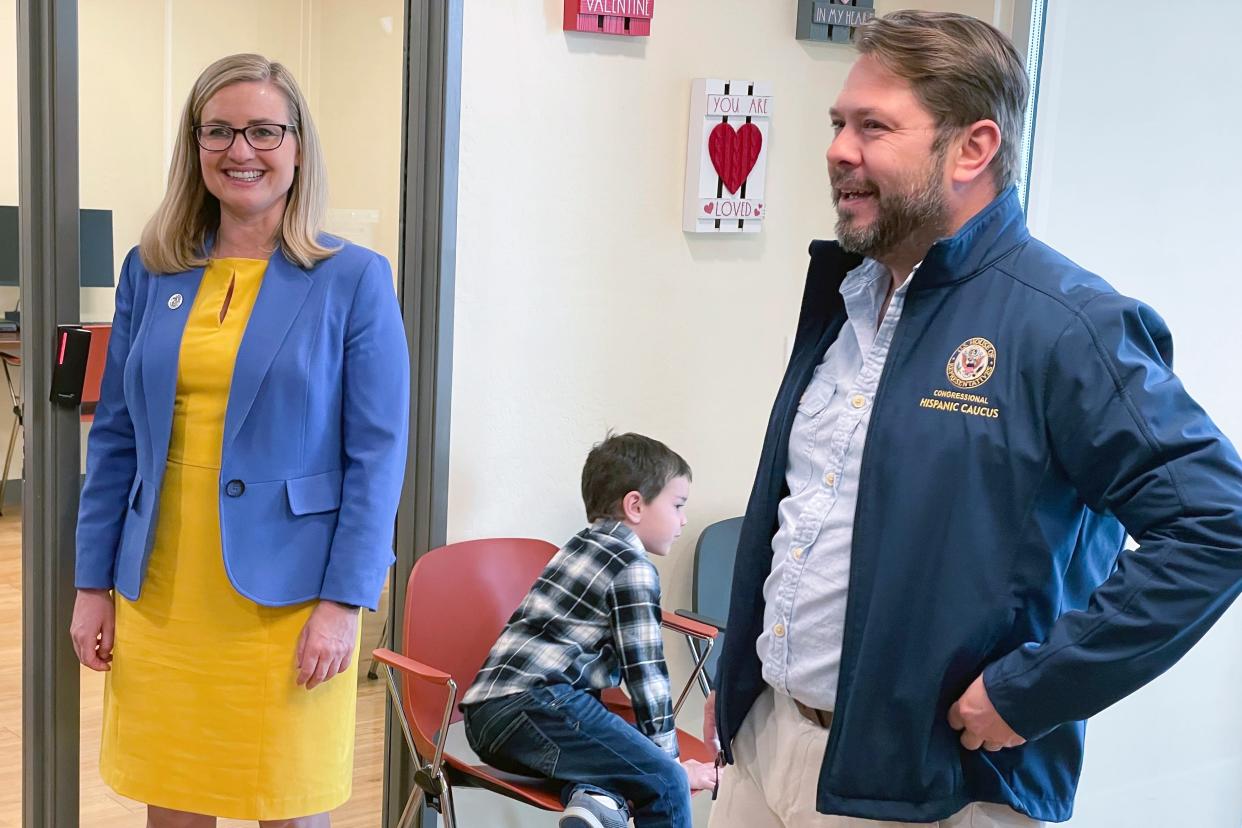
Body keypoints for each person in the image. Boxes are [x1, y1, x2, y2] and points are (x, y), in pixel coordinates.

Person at [704, 10, 1242, 828]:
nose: (838, 149)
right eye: (838, 123)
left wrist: (1035, 690)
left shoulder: (1067, 324)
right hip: (770, 743)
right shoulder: (848, 299)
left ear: (973, 148)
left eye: (874, 126)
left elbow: (1217, 524)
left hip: (932, 789)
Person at [67, 53, 409, 827]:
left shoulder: (351, 278)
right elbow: (116, 436)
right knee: (176, 798)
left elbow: (377, 455)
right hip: (161, 589)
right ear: (195, 147)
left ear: (297, 146)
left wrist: (344, 602)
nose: (240, 150)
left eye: (263, 130)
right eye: (218, 131)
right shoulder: (152, 271)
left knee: (285, 800)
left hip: (289, 600)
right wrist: (93, 584)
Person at [461, 432, 717, 828]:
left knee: (615, 771)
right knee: (663, 783)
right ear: (635, 505)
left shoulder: (580, 545)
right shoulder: (631, 567)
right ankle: (612, 797)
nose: (683, 519)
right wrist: (673, 767)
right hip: (538, 703)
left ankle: (594, 805)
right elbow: (647, 675)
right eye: (677, 505)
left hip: (487, 719)